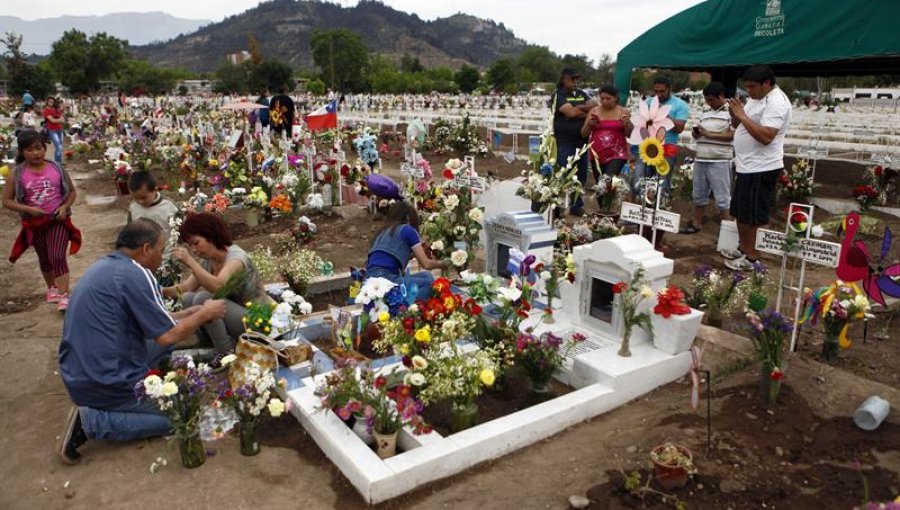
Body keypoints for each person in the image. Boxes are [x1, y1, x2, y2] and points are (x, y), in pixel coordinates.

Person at [56, 219, 226, 464]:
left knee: (166, 341)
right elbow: (167, 334)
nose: (162, 256)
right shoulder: (137, 274)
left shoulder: (107, 266)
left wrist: (191, 313)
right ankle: (90, 422)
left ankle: (124, 393)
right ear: (146, 249)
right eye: (161, 249)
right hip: (105, 381)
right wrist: (205, 314)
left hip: (79, 371)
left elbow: (158, 324)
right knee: (181, 415)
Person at [161, 213, 264, 362]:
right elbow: (185, 288)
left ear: (211, 235)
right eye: (190, 246)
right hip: (235, 320)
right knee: (188, 298)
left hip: (256, 321)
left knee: (204, 298)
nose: (194, 250)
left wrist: (190, 262)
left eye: (196, 243)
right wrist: (160, 291)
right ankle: (209, 343)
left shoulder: (236, 257)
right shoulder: (209, 262)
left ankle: (226, 352)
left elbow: (218, 286)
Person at [723, 65, 792, 270]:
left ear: (767, 84)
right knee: (740, 212)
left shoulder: (777, 103)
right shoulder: (756, 98)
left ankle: (752, 258)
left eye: (753, 87)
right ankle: (743, 248)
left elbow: (766, 137)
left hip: (762, 167)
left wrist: (742, 115)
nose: (749, 92)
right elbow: (738, 126)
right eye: (747, 87)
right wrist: (735, 114)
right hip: (746, 165)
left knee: (754, 216)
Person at [4, 130, 79, 312]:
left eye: (39, 148)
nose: (36, 153)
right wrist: (28, 209)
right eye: (30, 150)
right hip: (34, 223)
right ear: (22, 152)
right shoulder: (17, 174)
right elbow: (6, 201)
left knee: (57, 255)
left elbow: (72, 192)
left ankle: (64, 295)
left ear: (45, 148)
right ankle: (52, 287)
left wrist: (63, 207)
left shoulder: (56, 168)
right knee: (44, 257)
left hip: (57, 220)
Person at [365, 201, 448, 301]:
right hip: (387, 280)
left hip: (370, 280)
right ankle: (404, 307)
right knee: (429, 284)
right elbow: (426, 264)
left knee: (426, 275)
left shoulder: (382, 232)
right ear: (408, 218)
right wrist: (444, 263)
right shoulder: (407, 230)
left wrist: (408, 255)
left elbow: (389, 262)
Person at [680, 82, 734, 234]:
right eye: (707, 100)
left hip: (720, 160)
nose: (709, 103)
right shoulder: (706, 111)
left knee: (722, 198)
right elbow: (698, 132)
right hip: (702, 157)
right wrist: (696, 133)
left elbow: (733, 134)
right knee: (699, 194)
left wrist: (710, 134)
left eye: (712, 100)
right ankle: (696, 224)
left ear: (721, 96)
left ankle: (727, 233)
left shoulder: (732, 112)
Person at [632, 75, 689, 195]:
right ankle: (639, 211)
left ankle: (659, 210)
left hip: (666, 149)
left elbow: (679, 129)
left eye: (662, 91)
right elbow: (639, 125)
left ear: (670, 89)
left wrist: (666, 116)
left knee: (661, 187)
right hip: (646, 148)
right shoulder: (647, 102)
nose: (658, 95)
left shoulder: (680, 105)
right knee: (638, 184)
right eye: (656, 92)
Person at [552, 67, 597, 216]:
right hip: (565, 141)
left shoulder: (581, 93)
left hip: (582, 141)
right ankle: (558, 205)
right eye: (572, 79)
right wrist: (584, 111)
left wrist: (577, 110)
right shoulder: (558, 95)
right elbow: (570, 112)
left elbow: (593, 107)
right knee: (564, 173)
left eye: (577, 79)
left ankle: (576, 205)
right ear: (564, 79)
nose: (576, 82)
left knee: (581, 176)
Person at [581, 85, 631, 180]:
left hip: (617, 153)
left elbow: (629, 134)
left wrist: (626, 124)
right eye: (602, 99)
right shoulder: (594, 111)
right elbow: (584, 134)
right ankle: (608, 195)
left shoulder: (623, 111)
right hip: (597, 154)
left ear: (615, 98)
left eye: (608, 99)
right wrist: (589, 124)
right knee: (600, 183)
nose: (604, 101)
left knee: (607, 180)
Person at [42, 97, 66, 167]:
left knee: (60, 146)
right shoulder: (46, 110)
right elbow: (52, 120)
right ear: (47, 102)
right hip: (52, 130)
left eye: (52, 101)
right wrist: (60, 120)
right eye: (50, 101)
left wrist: (59, 119)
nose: (51, 102)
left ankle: (59, 161)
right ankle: (58, 163)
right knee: (58, 146)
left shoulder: (55, 110)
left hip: (59, 129)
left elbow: (63, 118)